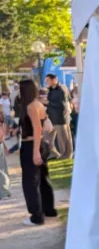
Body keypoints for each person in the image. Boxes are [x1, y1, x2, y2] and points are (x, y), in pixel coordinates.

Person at [16, 78, 57, 225]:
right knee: (43, 180)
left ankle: (37, 216)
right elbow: (45, 125)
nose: (18, 91)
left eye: (20, 88)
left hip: (32, 145)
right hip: (40, 145)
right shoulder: (37, 104)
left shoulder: (31, 106)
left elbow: (38, 129)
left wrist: (35, 152)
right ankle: (48, 210)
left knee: (30, 182)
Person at [44, 73, 73, 160]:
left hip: (60, 118)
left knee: (63, 138)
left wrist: (47, 102)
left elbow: (61, 104)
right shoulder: (51, 90)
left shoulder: (61, 89)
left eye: (48, 80)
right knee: (53, 138)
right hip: (52, 117)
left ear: (54, 80)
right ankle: (57, 153)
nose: (46, 82)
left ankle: (66, 155)